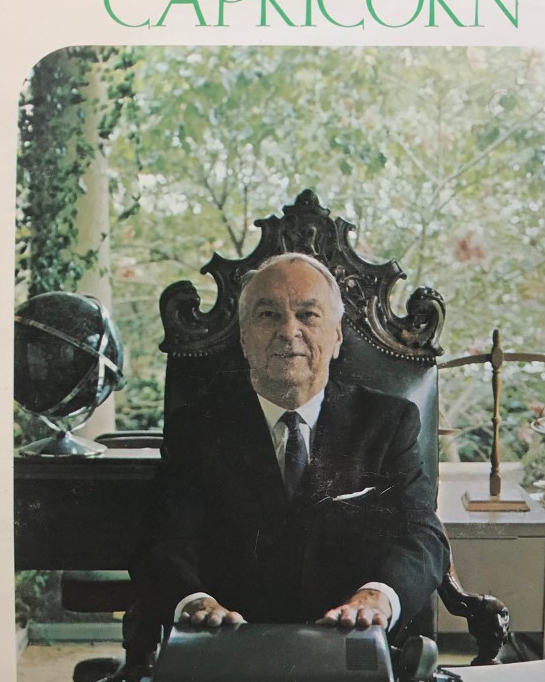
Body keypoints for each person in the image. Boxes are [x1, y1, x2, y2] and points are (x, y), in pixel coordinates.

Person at [130, 252, 449, 640]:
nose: (288, 331)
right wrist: (194, 601)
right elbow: (164, 539)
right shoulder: (196, 428)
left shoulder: (387, 422)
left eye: (308, 315)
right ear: (244, 338)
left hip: (352, 640)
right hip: (229, 643)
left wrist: (377, 598)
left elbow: (421, 533)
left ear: (336, 336)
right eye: (268, 315)